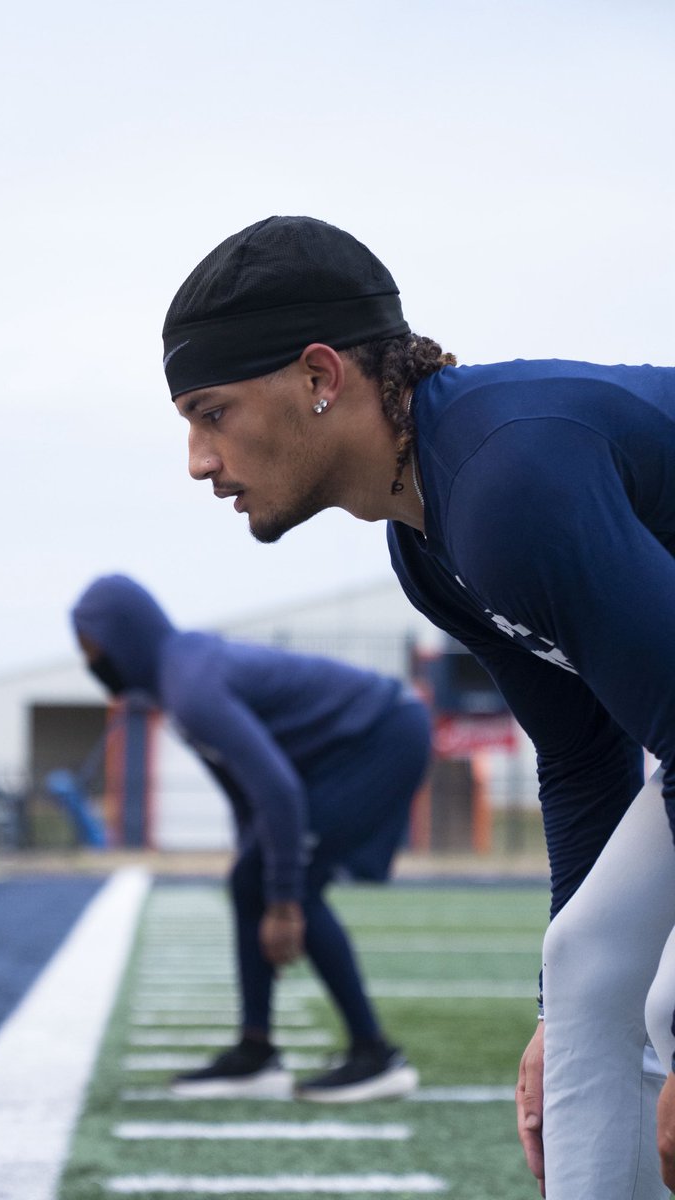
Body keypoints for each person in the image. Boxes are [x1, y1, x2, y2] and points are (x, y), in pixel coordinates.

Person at [161, 213, 675, 1197]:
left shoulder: (507, 481)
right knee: (585, 970)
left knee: (660, 1007)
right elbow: (580, 758)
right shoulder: (429, 543)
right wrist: (557, 1025)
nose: (196, 459)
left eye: (211, 412)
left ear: (319, 379)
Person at [71, 572, 431, 1101]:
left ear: (122, 635)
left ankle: (375, 1054)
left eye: (91, 647)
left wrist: (282, 902)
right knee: (249, 879)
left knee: (297, 886)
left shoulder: (190, 683)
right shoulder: (177, 680)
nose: (90, 663)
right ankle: (256, 1052)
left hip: (383, 734)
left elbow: (278, 790)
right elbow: (246, 794)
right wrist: (258, 874)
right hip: (357, 742)